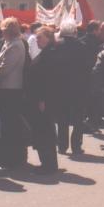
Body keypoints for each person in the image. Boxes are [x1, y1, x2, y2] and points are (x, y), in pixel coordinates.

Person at [0, 17, 28, 170]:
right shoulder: (9, 44)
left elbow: (5, 68)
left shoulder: (15, 46)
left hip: (10, 89)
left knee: (10, 125)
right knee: (8, 125)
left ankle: (12, 159)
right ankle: (10, 158)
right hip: (6, 89)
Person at [27, 26, 61, 173]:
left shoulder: (49, 55)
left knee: (44, 131)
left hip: (44, 99)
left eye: (40, 37)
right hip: (44, 98)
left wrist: (42, 99)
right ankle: (48, 163)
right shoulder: (49, 53)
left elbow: (46, 80)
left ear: (48, 37)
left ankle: (48, 164)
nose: (37, 39)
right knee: (46, 130)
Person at [55, 22, 88, 155]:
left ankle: (62, 145)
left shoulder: (57, 45)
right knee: (78, 118)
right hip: (78, 86)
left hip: (61, 86)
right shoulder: (81, 46)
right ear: (74, 32)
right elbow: (87, 67)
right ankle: (76, 145)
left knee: (62, 118)